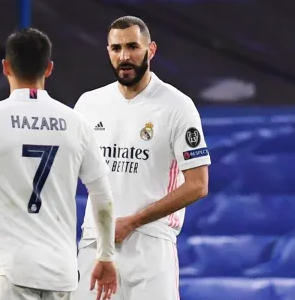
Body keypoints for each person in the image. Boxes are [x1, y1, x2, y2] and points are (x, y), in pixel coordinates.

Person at [0, 28, 118, 300]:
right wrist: (106, 255)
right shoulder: (76, 123)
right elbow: (103, 199)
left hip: (9, 270)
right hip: (61, 273)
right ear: (49, 69)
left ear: (5, 67)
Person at [74, 16, 210, 300]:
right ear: (108, 52)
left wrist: (134, 221)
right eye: (116, 48)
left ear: (151, 50)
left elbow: (198, 184)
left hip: (150, 244)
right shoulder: (88, 104)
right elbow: (62, 168)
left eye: (133, 46)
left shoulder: (177, 106)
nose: (124, 56)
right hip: (96, 242)